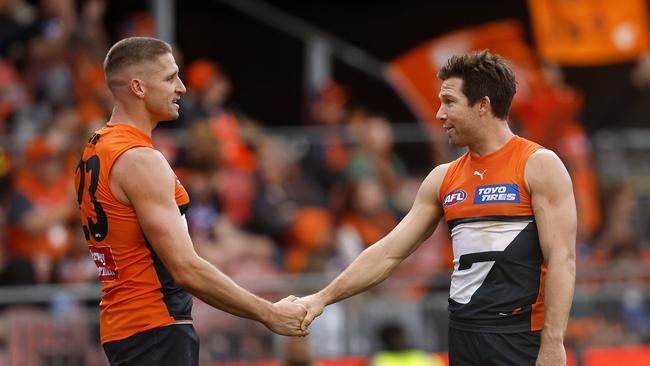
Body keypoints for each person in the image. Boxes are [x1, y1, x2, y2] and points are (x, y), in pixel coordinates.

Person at [297, 51, 577, 366]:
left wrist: (554, 343)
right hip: (462, 337)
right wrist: (321, 298)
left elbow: (562, 259)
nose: (439, 114)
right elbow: (388, 252)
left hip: (519, 337)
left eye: (449, 102)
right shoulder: (443, 178)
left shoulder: (538, 165)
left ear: (483, 105)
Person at [75, 37, 307, 366]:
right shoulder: (140, 160)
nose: (182, 88)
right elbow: (186, 268)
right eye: (170, 77)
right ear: (139, 87)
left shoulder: (95, 147)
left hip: (126, 326)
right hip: (155, 327)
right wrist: (268, 313)